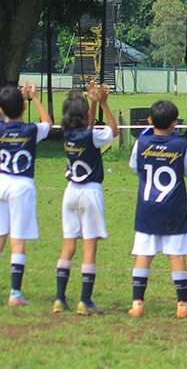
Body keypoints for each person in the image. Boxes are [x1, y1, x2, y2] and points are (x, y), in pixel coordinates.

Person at [128, 99, 187, 318]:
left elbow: (135, 168)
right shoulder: (181, 145)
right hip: (173, 211)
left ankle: (137, 303)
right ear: (174, 123)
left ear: (150, 121)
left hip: (147, 209)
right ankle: (182, 305)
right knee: (177, 256)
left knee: (143, 255)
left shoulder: (140, 143)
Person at [53, 82, 118, 315]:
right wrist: (103, 104)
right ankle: (84, 301)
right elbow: (114, 130)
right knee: (89, 247)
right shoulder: (93, 136)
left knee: (68, 245)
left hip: (70, 191)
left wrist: (92, 102)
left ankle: (59, 299)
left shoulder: (68, 134)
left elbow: (87, 127)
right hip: (90, 192)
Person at [0, 82, 52, 306]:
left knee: (1, 237)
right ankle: (15, 294)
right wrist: (35, 99)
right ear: (23, 106)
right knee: (17, 240)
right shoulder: (31, 130)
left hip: (1, 181)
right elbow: (48, 124)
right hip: (21, 186)